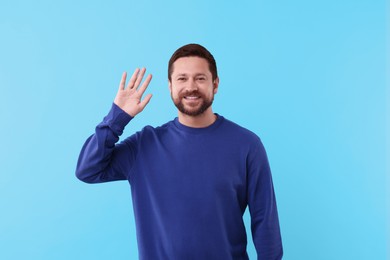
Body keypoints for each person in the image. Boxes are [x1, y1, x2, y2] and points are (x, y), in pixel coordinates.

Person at [76, 43, 283, 259]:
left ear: (216, 84)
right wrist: (117, 118)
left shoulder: (247, 145)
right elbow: (88, 170)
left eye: (200, 78)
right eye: (182, 79)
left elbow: (265, 226)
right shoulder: (144, 145)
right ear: (170, 86)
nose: (191, 87)